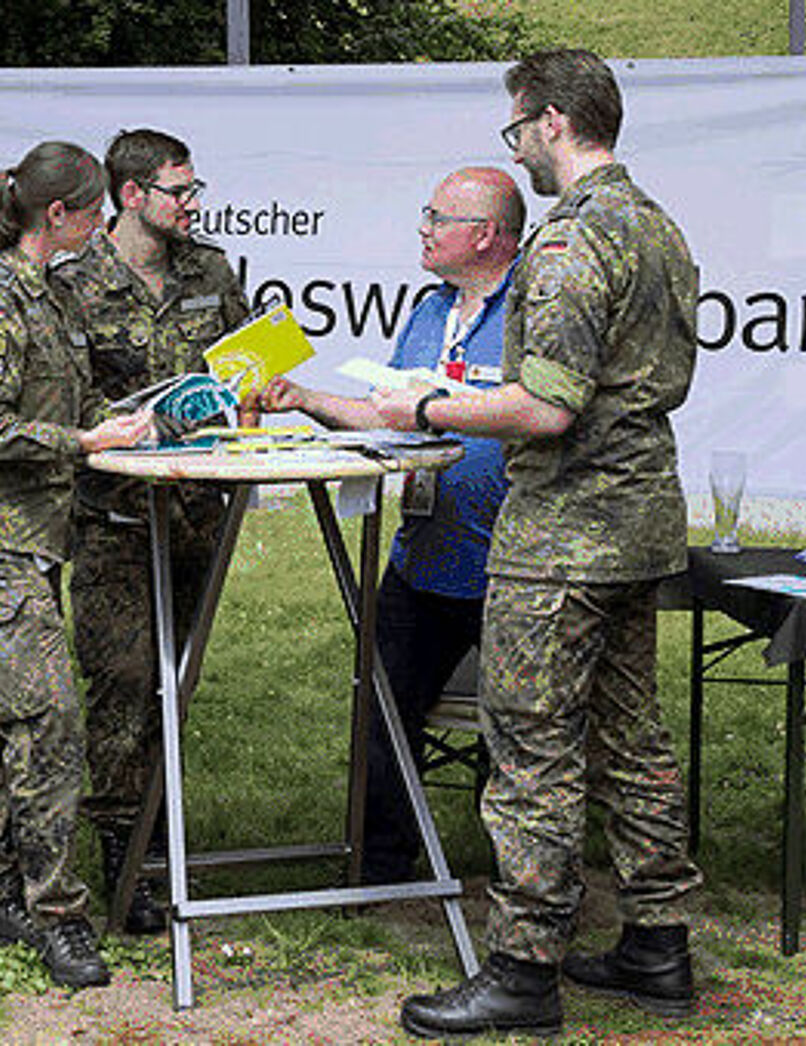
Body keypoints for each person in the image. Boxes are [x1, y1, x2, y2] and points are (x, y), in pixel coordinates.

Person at [378, 50, 703, 1039]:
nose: (514, 146)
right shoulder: (658, 228)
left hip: (562, 536)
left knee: (532, 749)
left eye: (515, 129)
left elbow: (546, 409)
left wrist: (425, 399)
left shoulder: (566, 246)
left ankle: (523, 963)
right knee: (633, 738)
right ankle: (659, 941)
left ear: (553, 121)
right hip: (642, 522)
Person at [257, 165, 522, 886]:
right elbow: (389, 411)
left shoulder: (534, 308)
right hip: (423, 557)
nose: (424, 230)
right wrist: (304, 397)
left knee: (522, 733)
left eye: (438, 218)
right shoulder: (431, 311)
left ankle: (520, 880)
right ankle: (380, 866)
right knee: (380, 701)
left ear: (487, 233)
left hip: (515, 563)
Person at [0, 141, 153, 989]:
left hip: (26, 535)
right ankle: (57, 912)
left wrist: (124, 423)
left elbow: (67, 399)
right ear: (55, 216)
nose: (103, 228)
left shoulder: (49, 294)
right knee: (47, 720)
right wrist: (84, 443)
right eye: (96, 213)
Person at [54, 128, 252, 934]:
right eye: (179, 190)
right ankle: (120, 854)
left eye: (195, 188)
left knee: (175, 682)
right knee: (125, 682)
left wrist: (250, 386)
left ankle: (159, 834)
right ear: (132, 195)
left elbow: (241, 361)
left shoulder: (208, 268)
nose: (193, 204)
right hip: (114, 520)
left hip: (197, 511)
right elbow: (58, 399)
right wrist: (126, 423)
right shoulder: (73, 281)